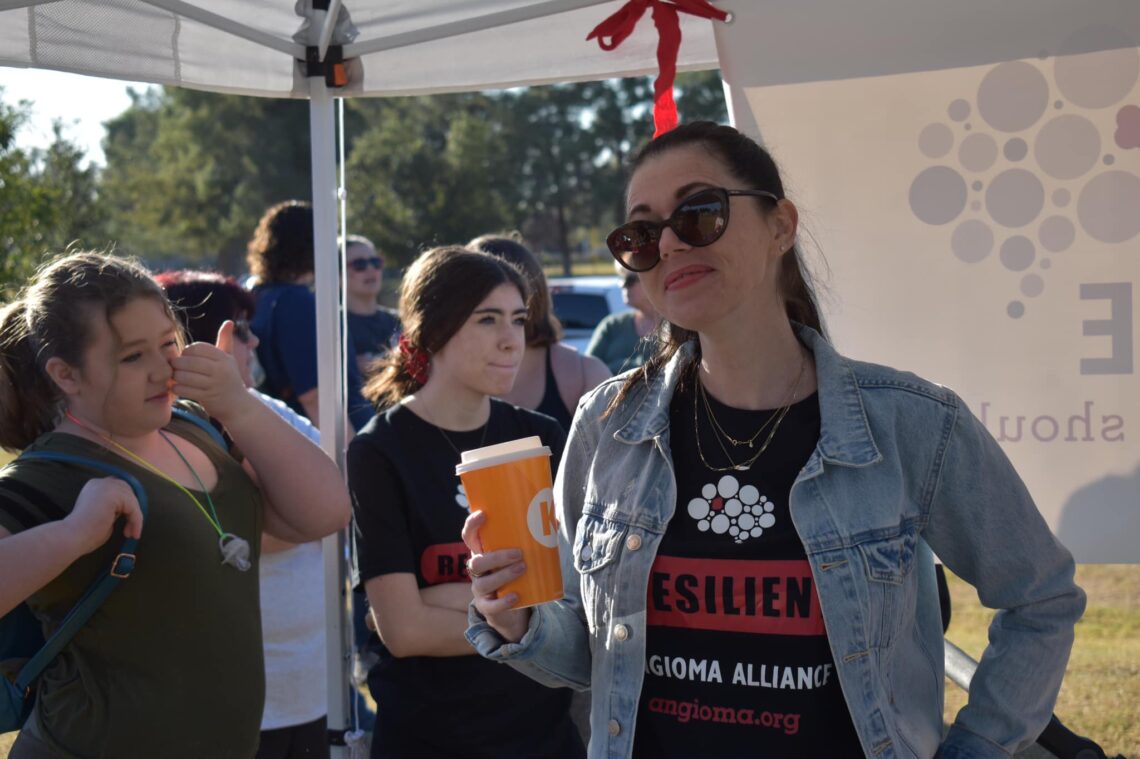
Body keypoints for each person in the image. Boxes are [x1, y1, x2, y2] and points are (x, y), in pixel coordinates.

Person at [462, 122, 1085, 758]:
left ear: (780, 226)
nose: (670, 244)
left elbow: (1040, 597)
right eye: (641, 234)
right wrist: (519, 621)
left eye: (698, 213)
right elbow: (593, 653)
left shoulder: (913, 423)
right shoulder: (609, 425)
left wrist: (976, 747)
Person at [0, 251, 350, 758]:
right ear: (66, 375)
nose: (162, 366)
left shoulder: (196, 425)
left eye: (169, 343)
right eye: (132, 356)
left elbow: (325, 512)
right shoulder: (51, 473)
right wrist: (72, 533)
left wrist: (238, 406)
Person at [348, 246, 583, 758]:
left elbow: (574, 603)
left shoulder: (540, 437)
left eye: (518, 320)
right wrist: (517, 618)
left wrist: (441, 599)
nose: (510, 340)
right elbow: (405, 631)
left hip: (543, 738)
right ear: (433, 330)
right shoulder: (379, 450)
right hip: (431, 738)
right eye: (487, 320)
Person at [157, 270, 331, 759]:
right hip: (228, 699)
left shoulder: (271, 410)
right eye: (242, 328)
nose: (256, 341)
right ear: (200, 341)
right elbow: (259, 530)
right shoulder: (163, 428)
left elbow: (333, 501)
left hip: (310, 686)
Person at [246, 201, 372, 432]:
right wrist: (349, 459)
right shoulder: (296, 303)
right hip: (330, 439)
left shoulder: (259, 297)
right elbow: (315, 396)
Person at [468, 235, 610, 430]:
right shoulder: (440, 379)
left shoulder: (586, 376)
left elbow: (612, 457)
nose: (508, 341)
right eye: (487, 318)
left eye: (516, 316)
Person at [585, 261, 660, 374]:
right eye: (621, 278)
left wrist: (614, 367)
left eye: (630, 280)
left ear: (651, 278)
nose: (623, 284)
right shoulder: (612, 325)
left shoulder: (678, 327)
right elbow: (587, 370)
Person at [343, 235, 400, 377]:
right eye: (359, 265)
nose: (370, 269)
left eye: (375, 262)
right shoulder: (334, 326)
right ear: (338, 275)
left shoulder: (399, 321)